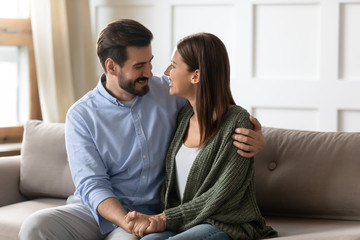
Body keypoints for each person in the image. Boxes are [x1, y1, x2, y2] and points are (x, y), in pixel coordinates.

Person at [19, 19, 266, 240]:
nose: (150, 72)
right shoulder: (81, 115)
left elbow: (216, 107)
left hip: (150, 212)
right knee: (35, 226)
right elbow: (92, 184)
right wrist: (125, 221)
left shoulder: (168, 93)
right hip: (96, 211)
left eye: (150, 62)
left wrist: (258, 137)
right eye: (139, 66)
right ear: (112, 67)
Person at [123, 33, 278, 239]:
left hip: (225, 223)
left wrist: (163, 219)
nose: (166, 72)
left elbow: (221, 194)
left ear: (195, 76)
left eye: (173, 65)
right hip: (187, 223)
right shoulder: (183, 116)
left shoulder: (237, 122)